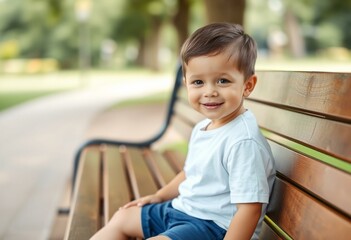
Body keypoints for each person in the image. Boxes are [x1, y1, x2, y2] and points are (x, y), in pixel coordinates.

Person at [90, 22, 276, 240]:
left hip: (213, 227)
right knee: (122, 218)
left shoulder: (242, 142)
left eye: (223, 81)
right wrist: (159, 196)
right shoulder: (203, 127)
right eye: (198, 82)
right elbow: (191, 173)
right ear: (186, 83)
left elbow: (249, 209)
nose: (210, 92)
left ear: (247, 85)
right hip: (181, 209)